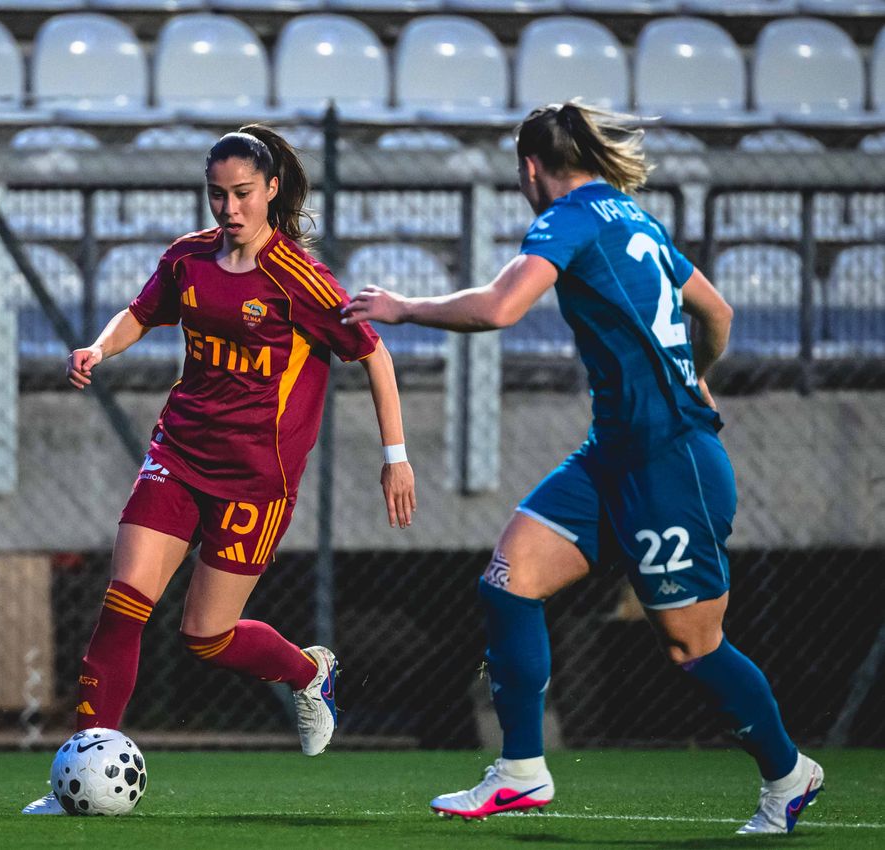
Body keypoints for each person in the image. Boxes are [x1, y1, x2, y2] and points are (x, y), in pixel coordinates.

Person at [343, 102, 822, 836]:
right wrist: (697, 372)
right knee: (509, 579)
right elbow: (718, 312)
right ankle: (521, 771)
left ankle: (788, 775)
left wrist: (402, 308)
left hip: (669, 462)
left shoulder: (567, 217)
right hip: (614, 452)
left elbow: (500, 308)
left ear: (530, 167)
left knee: (692, 646)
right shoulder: (634, 218)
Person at [24, 125, 416, 814]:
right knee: (122, 606)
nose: (229, 208)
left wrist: (396, 458)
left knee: (205, 637)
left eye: (242, 193)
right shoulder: (188, 259)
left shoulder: (299, 279)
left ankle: (307, 673)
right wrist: (99, 348)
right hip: (177, 455)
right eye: (216, 194)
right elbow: (139, 314)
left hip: (256, 480)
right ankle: (79, 776)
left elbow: (374, 355)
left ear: (271, 189)